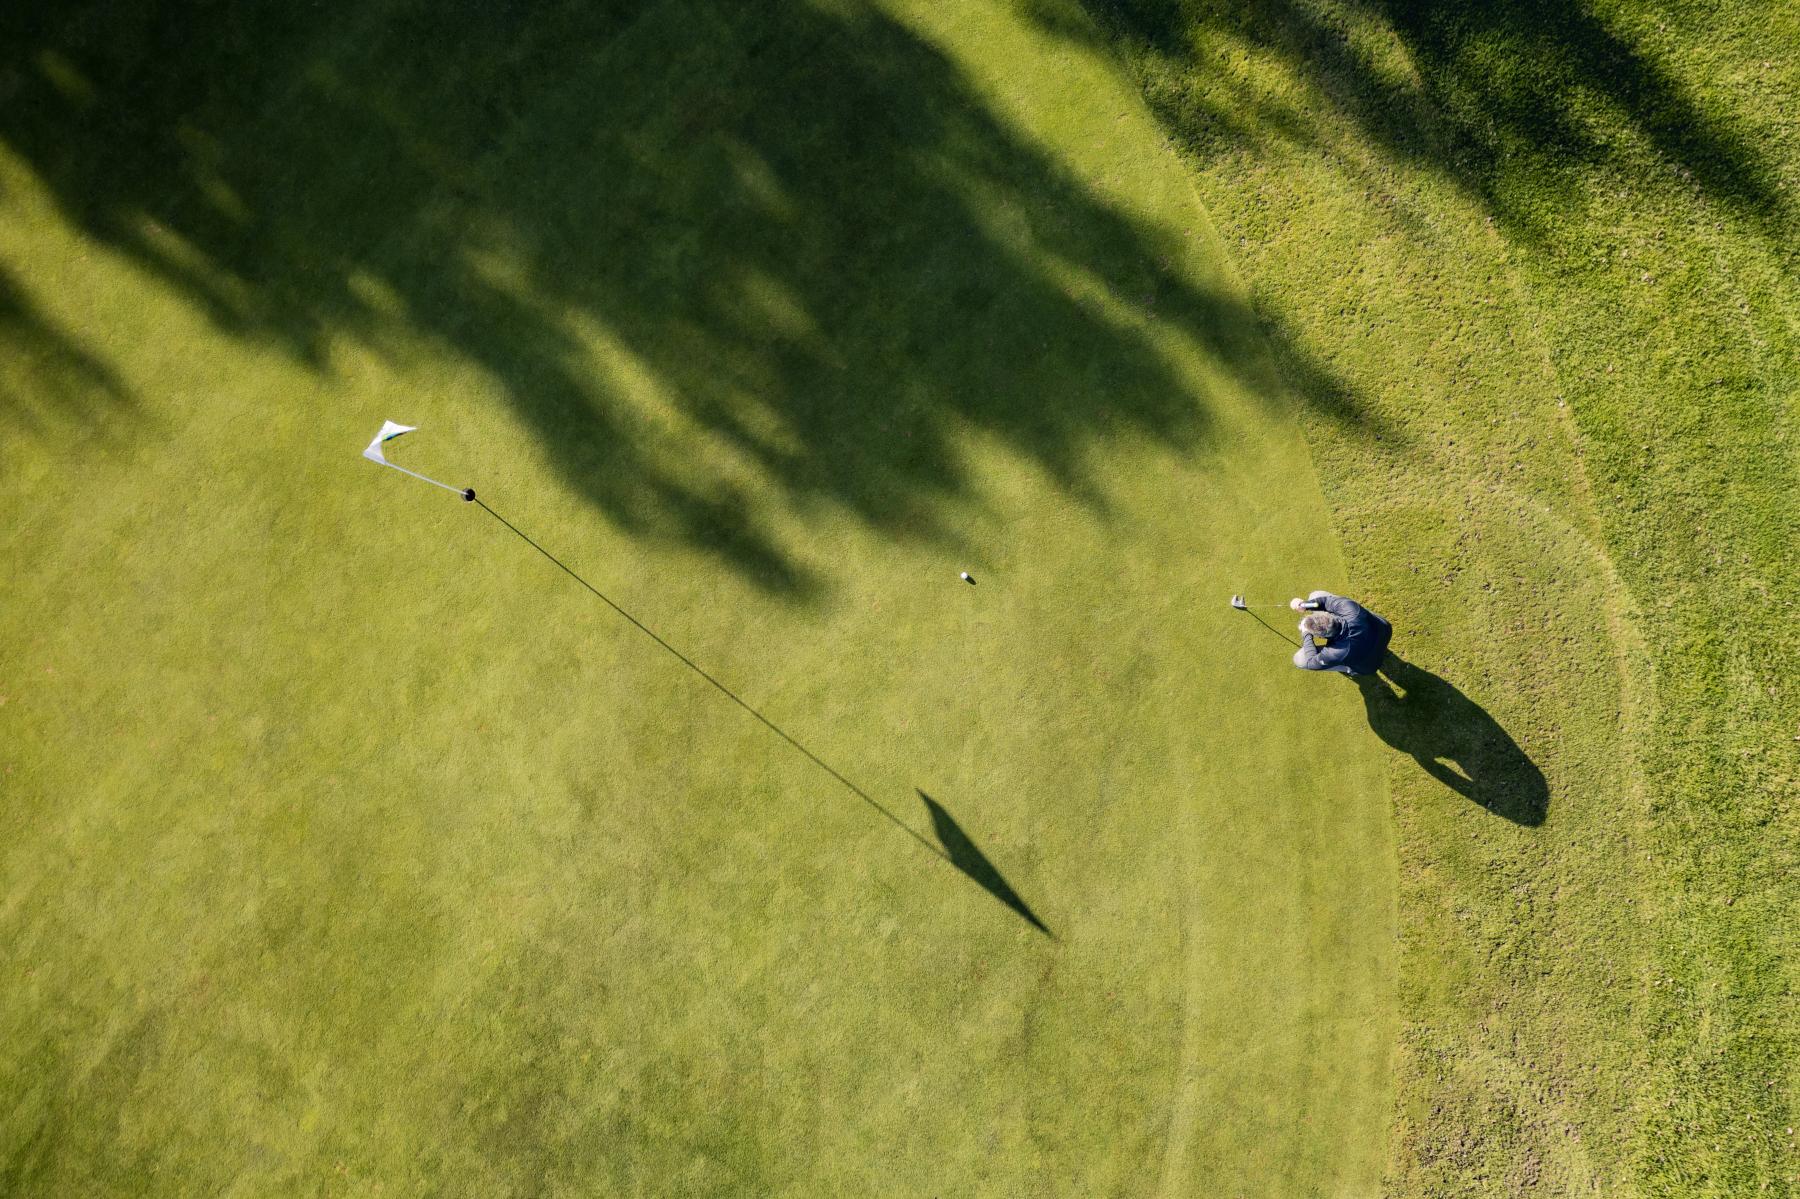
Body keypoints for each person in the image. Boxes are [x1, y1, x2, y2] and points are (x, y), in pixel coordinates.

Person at [1288, 590, 1391, 676]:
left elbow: (1311, 662)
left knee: (1300, 659)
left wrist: (1306, 633)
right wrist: (1305, 605)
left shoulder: (1336, 653)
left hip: (1370, 665)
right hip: (1384, 631)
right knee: (1316, 595)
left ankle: (1351, 670)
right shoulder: (1348, 608)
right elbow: (1326, 602)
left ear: (1321, 636)